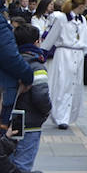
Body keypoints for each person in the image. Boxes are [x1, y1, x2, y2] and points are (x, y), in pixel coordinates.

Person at [42, 0, 87, 129]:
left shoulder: (82, 20)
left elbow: (86, 39)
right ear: (80, 6)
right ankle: (59, 116)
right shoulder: (62, 18)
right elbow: (52, 36)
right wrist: (43, 53)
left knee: (74, 85)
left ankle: (68, 115)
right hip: (64, 54)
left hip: (78, 55)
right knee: (62, 84)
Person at [10, 24, 50, 173]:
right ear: (36, 42)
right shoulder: (37, 66)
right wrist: (47, 111)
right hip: (31, 123)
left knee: (8, 163)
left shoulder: (10, 63)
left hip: (9, 122)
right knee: (23, 165)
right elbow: (41, 95)